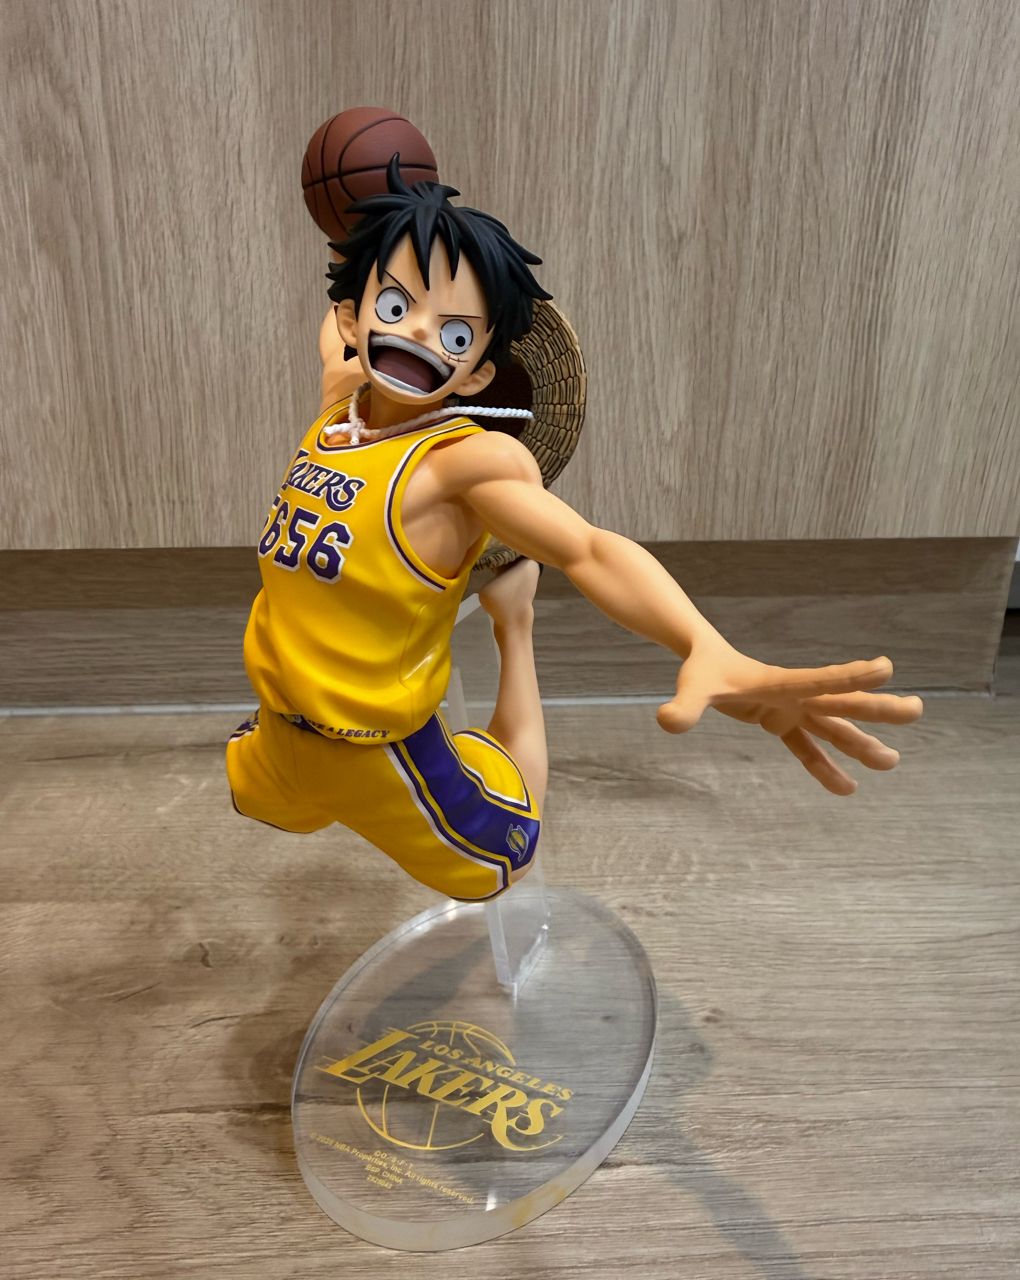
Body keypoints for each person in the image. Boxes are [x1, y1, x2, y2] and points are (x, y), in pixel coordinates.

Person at [226, 158, 923, 902]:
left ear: (478, 375)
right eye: (396, 307)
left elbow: (590, 549)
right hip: (277, 730)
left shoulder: (464, 464)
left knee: (507, 862)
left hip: (382, 755)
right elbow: (347, 279)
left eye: (456, 333)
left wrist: (703, 645)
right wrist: (389, 211)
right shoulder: (340, 405)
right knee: (259, 803)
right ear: (351, 319)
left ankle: (515, 625)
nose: (420, 332)